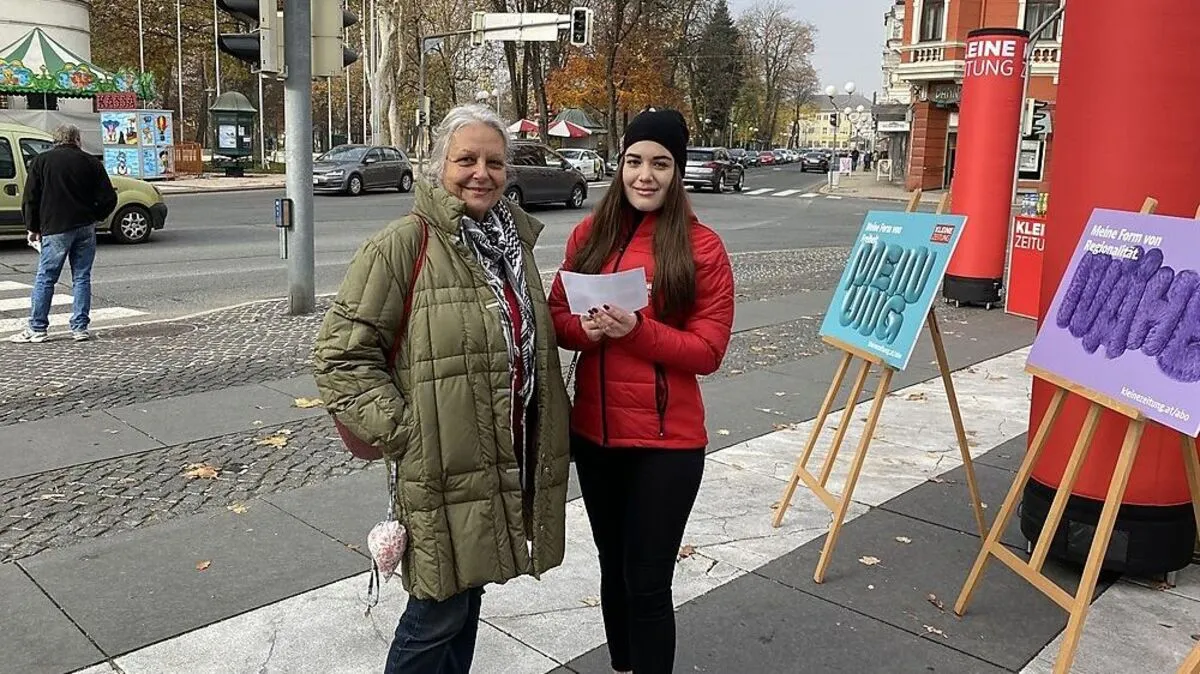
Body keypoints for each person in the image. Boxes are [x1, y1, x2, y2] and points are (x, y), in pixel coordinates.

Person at [312, 104, 571, 673]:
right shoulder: (402, 244)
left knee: (464, 597)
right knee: (437, 611)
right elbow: (340, 355)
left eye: (495, 162)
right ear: (438, 167)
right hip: (439, 463)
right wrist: (406, 431)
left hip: (500, 458)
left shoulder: (511, 246)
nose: (482, 173)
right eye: (466, 160)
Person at [548, 108, 735, 674]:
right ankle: (623, 665)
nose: (644, 175)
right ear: (620, 164)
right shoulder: (589, 234)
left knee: (648, 582)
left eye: (660, 163)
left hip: (666, 446)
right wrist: (584, 330)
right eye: (634, 161)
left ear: (677, 171)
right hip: (595, 437)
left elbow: (708, 351)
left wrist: (637, 330)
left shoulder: (702, 247)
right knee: (613, 568)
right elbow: (557, 315)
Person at [10, 124, 115, 344]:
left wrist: (32, 227)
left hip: (55, 226)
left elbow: (31, 198)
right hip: (85, 225)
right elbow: (109, 197)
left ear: (55, 140)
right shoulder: (91, 162)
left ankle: (37, 328)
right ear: (77, 139)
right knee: (81, 277)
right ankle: (80, 328)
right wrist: (96, 216)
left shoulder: (42, 161)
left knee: (46, 278)